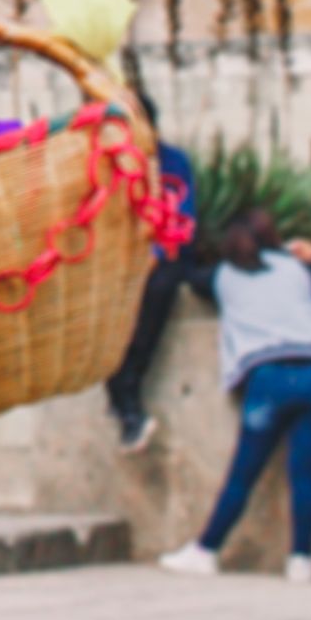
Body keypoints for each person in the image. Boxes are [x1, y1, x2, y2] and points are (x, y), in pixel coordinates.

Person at [160, 208, 311, 584]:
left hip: (267, 376)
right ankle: (301, 560)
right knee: (304, 474)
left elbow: (190, 279)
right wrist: (309, 256)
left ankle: (205, 549)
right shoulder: (296, 271)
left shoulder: (222, 276)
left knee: (243, 473)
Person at [104, 102, 198, 451]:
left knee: (158, 291)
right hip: (124, 258)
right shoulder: (109, 165)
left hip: (165, 257)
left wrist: (156, 254)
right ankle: (122, 396)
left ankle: (126, 390)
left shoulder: (174, 162)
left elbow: (184, 215)